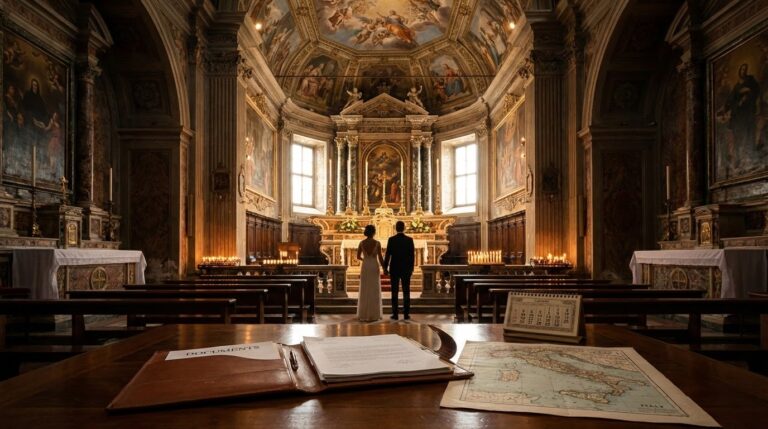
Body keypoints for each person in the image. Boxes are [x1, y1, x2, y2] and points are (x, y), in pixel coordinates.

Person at [383, 221, 415, 320]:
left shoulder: (391, 239)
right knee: (406, 291)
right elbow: (412, 256)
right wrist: (411, 269)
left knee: (394, 291)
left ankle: (395, 314)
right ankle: (406, 314)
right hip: (406, 269)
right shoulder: (409, 240)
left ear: (395, 228)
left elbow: (388, 255)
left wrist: (385, 268)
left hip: (394, 268)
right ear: (404, 228)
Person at [356, 225, 384, 322]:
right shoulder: (377, 243)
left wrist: (365, 259)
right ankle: (374, 314)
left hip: (365, 265)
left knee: (365, 288)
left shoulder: (361, 243)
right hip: (374, 265)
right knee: (374, 288)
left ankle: (363, 313)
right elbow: (380, 257)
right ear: (374, 232)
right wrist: (384, 267)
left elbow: (358, 256)